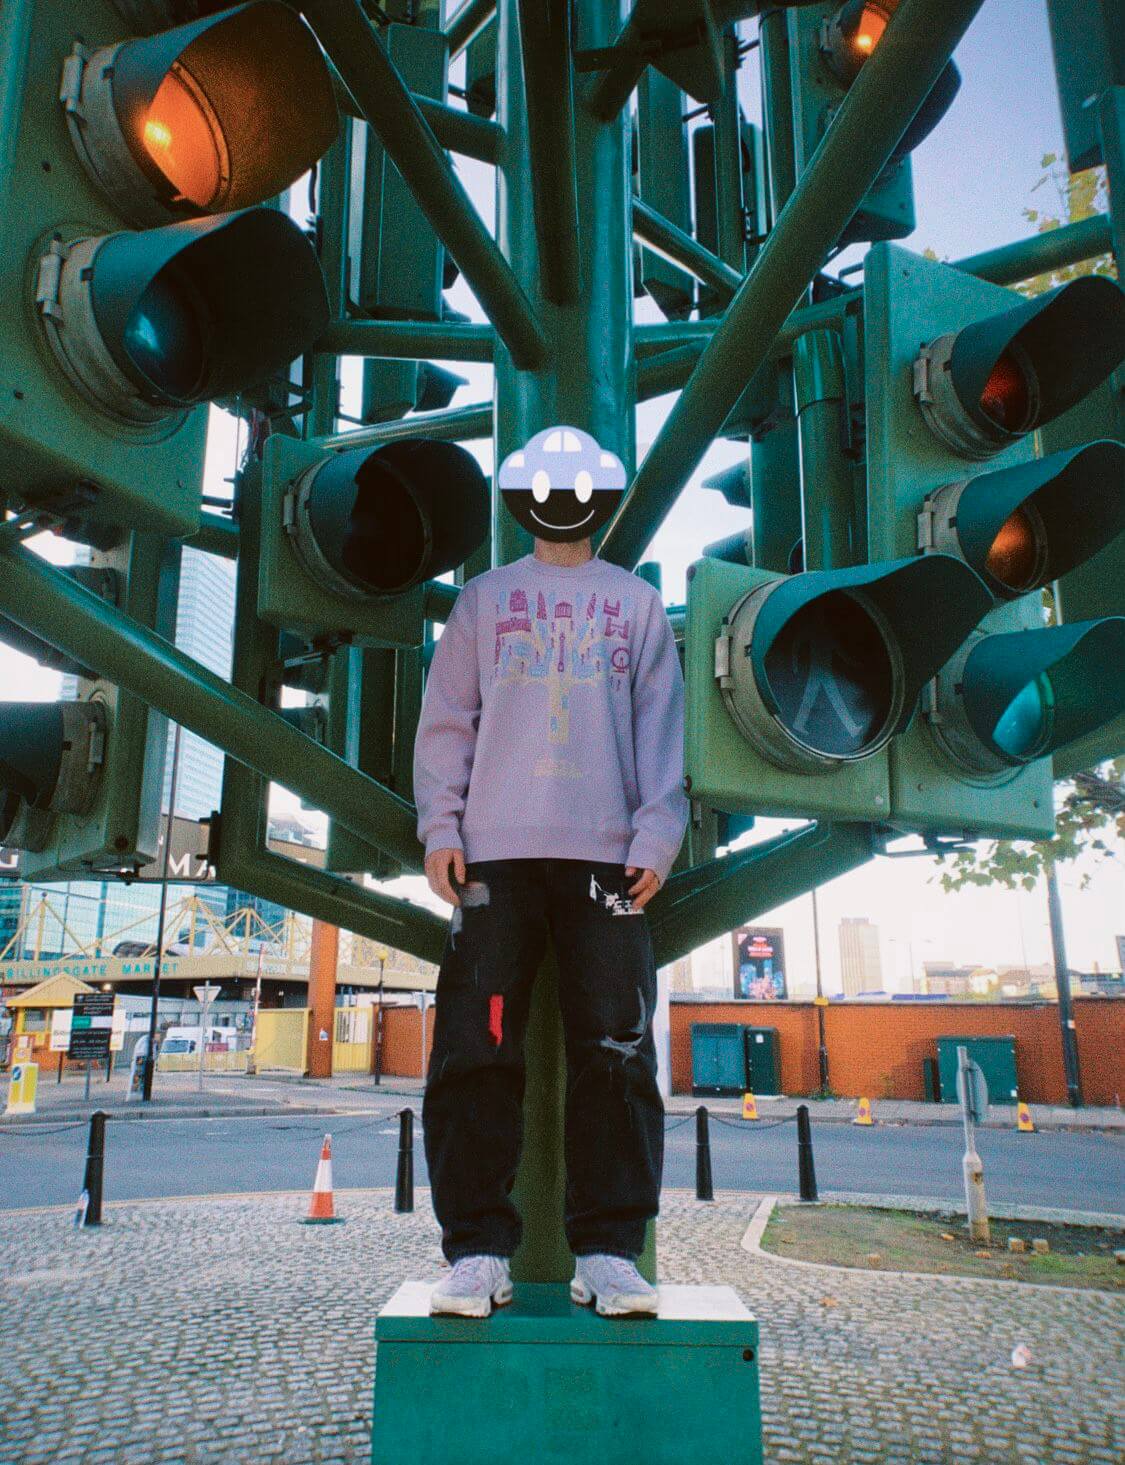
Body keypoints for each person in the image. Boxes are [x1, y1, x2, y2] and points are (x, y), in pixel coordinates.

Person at [413, 450, 688, 1320]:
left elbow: (661, 724)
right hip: (491, 859)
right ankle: (476, 1253)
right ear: (519, 499)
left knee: (617, 1052)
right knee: (474, 1049)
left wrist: (658, 831)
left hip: (610, 860)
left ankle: (608, 1252)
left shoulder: (637, 604)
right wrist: (440, 826)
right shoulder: (482, 599)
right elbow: (447, 719)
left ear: (601, 498)